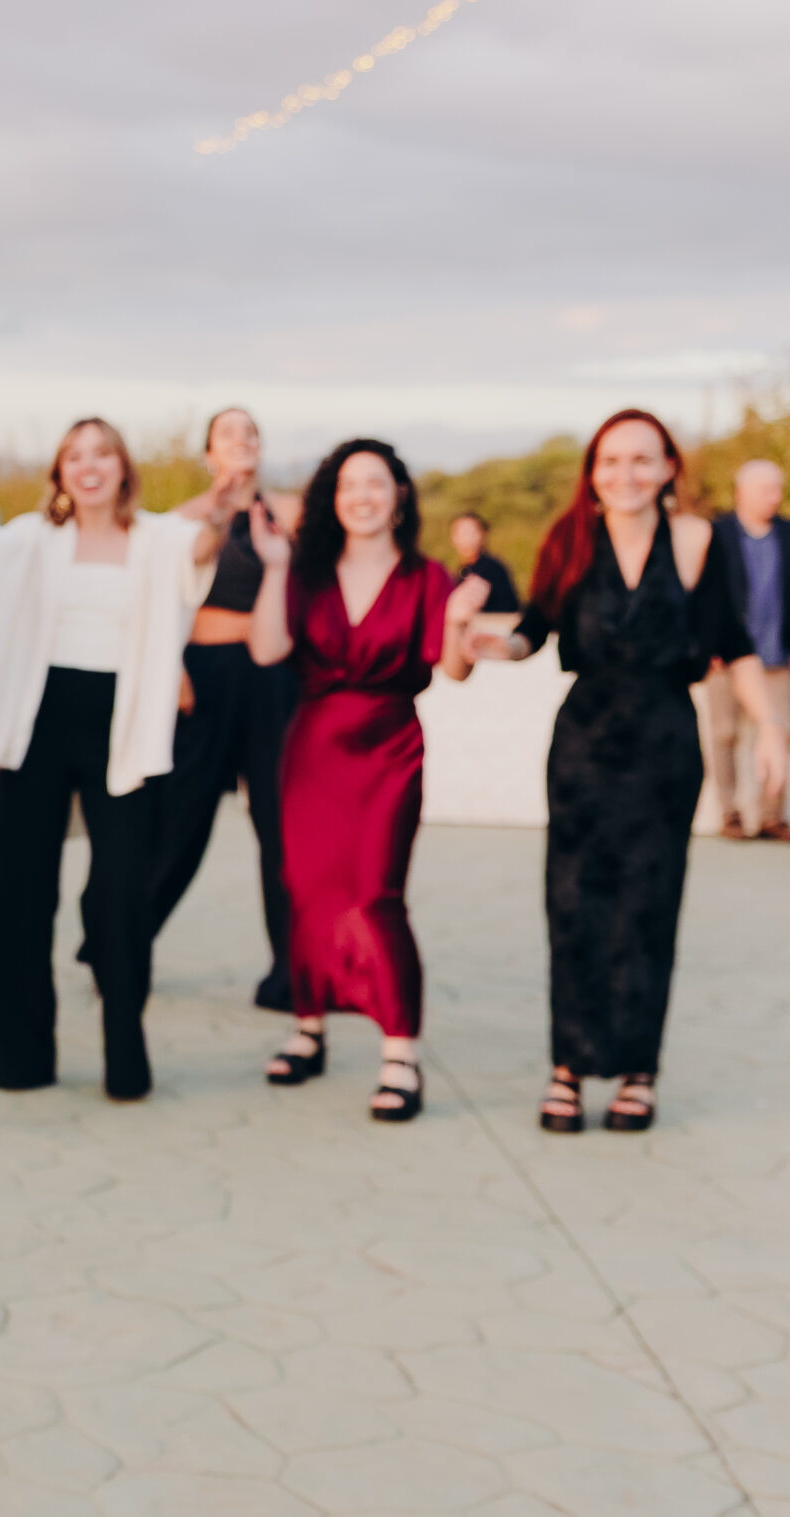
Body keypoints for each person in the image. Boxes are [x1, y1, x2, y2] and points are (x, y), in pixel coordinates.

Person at [470, 409, 786, 1135]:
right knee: (573, 904)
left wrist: (771, 726)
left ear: (670, 467)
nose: (626, 475)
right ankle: (569, 1066)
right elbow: (534, 630)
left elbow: (734, 643)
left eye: (643, 459)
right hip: (583, 745)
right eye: (611, 461)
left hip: (664, 742)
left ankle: (638, 1069)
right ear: (592, 472)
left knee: (650, 904)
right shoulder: (568, 539)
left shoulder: (699, 541)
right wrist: (493, 646)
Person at [0, 418, 226, 1101]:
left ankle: (126, 1060)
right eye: (74, 456)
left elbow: (202, 548)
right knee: (21, 893)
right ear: (60, 474)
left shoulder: (156, 537)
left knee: (121, 893)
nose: (89, 465)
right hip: (39, 719)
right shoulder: (30, 538)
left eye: (102, 452)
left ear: (123, 467)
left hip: (122, 723)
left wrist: (225, 498)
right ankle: (23, 1060)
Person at [249, 441, 488, 1123]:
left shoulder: (426, 576)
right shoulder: (306, 572)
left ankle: (400, 1051)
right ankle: (308, 1026)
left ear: (399, 495)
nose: (362, 496)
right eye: (348, 484)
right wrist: (275, 566)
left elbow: (454, 670)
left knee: (377, 894)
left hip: (389, 748)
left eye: (375, 483)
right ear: (333, 498)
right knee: (305, 889)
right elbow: (267, 650)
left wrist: (460, 621)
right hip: (314, 750)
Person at [129, 406, 299, 1009]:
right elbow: (155, 605)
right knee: (181, 822)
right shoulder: (180, 521)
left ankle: (289, 973)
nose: (242, 439)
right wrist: (172, 670)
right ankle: (120, 945)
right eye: (228, 432)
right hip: (203, 679)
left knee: (280, 826)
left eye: (251, 431)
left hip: (276, 681)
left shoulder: (290, 514)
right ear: (208, 454)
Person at [703, 459, 790, 840]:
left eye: (778, 489)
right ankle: (730, 814)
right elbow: (704, 593)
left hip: (777, 655)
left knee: (779, 734)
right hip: (724, 659)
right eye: (767, 490)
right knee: (724, 735)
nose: (775, 497)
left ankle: (771, 817)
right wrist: (708, 643)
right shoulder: (715, 533)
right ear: (741, 493)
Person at [447, 512, 522, 614]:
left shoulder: (493, 569)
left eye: (471, 533)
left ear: (483, 535)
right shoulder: (461, 570)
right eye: (461, 534)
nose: (466, 540)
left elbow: (509, 607)